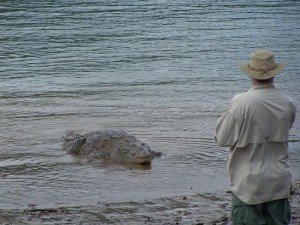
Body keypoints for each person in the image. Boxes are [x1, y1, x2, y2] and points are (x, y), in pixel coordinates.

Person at [215, 49, 296, 225]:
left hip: (248, 186)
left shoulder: (241, 102)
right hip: (278, 183)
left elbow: (222, 139)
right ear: (274, 74)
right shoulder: (288, 102)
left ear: (251, 74)